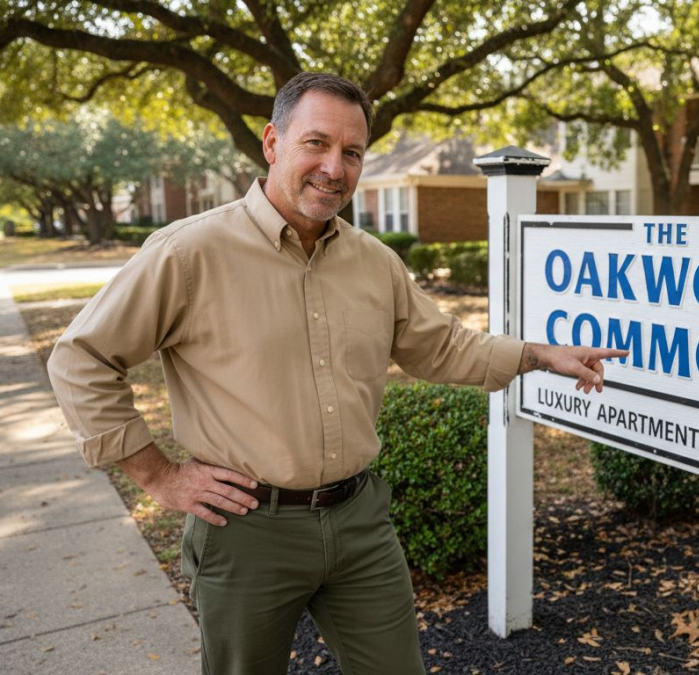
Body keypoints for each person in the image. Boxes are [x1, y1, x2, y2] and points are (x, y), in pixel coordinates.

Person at [47, 72, 625, 675]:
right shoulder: (188, 253)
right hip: (247, 531)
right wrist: (159, 475)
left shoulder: (375, 263)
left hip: (359, 524)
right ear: (273, 143)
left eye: (352, 153)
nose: (334, 167)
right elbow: (80, 358)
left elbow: (442, 347)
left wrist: (537, 353)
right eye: (316, 144)